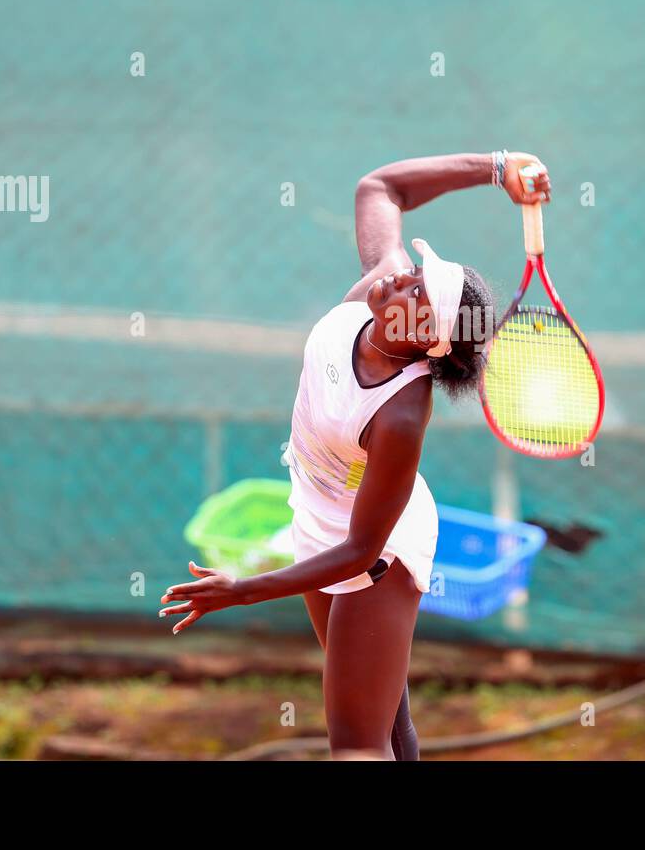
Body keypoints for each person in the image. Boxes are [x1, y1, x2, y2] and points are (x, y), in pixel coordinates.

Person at [160, 151, 552, 759]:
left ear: (425, 338)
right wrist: (497, 167)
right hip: (318, 522)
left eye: (418, 292)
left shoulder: (399, 416)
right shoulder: (376, 291)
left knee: (356, 746)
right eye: (415, 273)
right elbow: (381, 186)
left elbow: (361, 550)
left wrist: (244, 590)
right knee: (386, 727)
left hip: (376, 552)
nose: (400, 279)